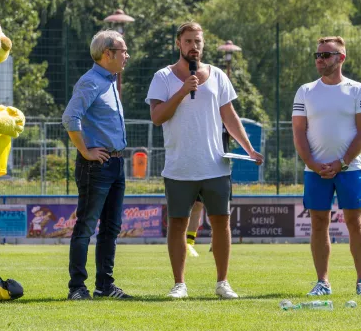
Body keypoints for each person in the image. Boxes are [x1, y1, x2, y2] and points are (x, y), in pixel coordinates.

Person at [146, 21, 263, 299]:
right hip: (179, 166)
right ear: (178, 43)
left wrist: (248, 148)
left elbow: (229, 116)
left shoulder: (219, 76)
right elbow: (157, 116)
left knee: (221, 223)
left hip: (215, 166)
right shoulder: (163, 77)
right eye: (188, 41)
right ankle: (179, 284)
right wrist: (183, 90)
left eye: (198, 41)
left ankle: (223, 283)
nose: (193, 46)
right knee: (177, 223)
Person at [292, 36, 361, 297]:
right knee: (318, 223)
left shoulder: (358, 90)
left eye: (326, 55)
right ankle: (322, 282)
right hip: (315, 170)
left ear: (341, 58)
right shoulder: (305, 91)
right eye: (317, 55)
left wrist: (341, 163)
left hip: (349, 169)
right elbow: (298, 132)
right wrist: (313, 164)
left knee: (354, 221)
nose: (320, 59)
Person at [62, 30, 132, 300]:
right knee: (86, 227)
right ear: (108, 54)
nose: (127, 55)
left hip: (115, 164)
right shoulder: (91, 82)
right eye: (123, 50)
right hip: (96, 166)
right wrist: (86, 151)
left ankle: (105, 286)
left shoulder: (111, 81)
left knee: (112, 227)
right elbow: (70, 118)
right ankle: (77, 288)